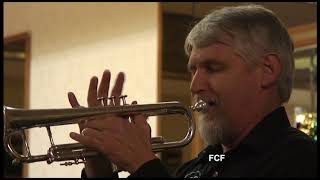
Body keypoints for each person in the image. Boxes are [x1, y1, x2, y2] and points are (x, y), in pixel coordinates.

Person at [68, 4, 317, 178]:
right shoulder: (202, 164)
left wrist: (142, 165)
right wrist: (100, 171)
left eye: (213, 67)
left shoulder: (301, 160)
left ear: (268, 70)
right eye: (193, 70)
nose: (195, 85)